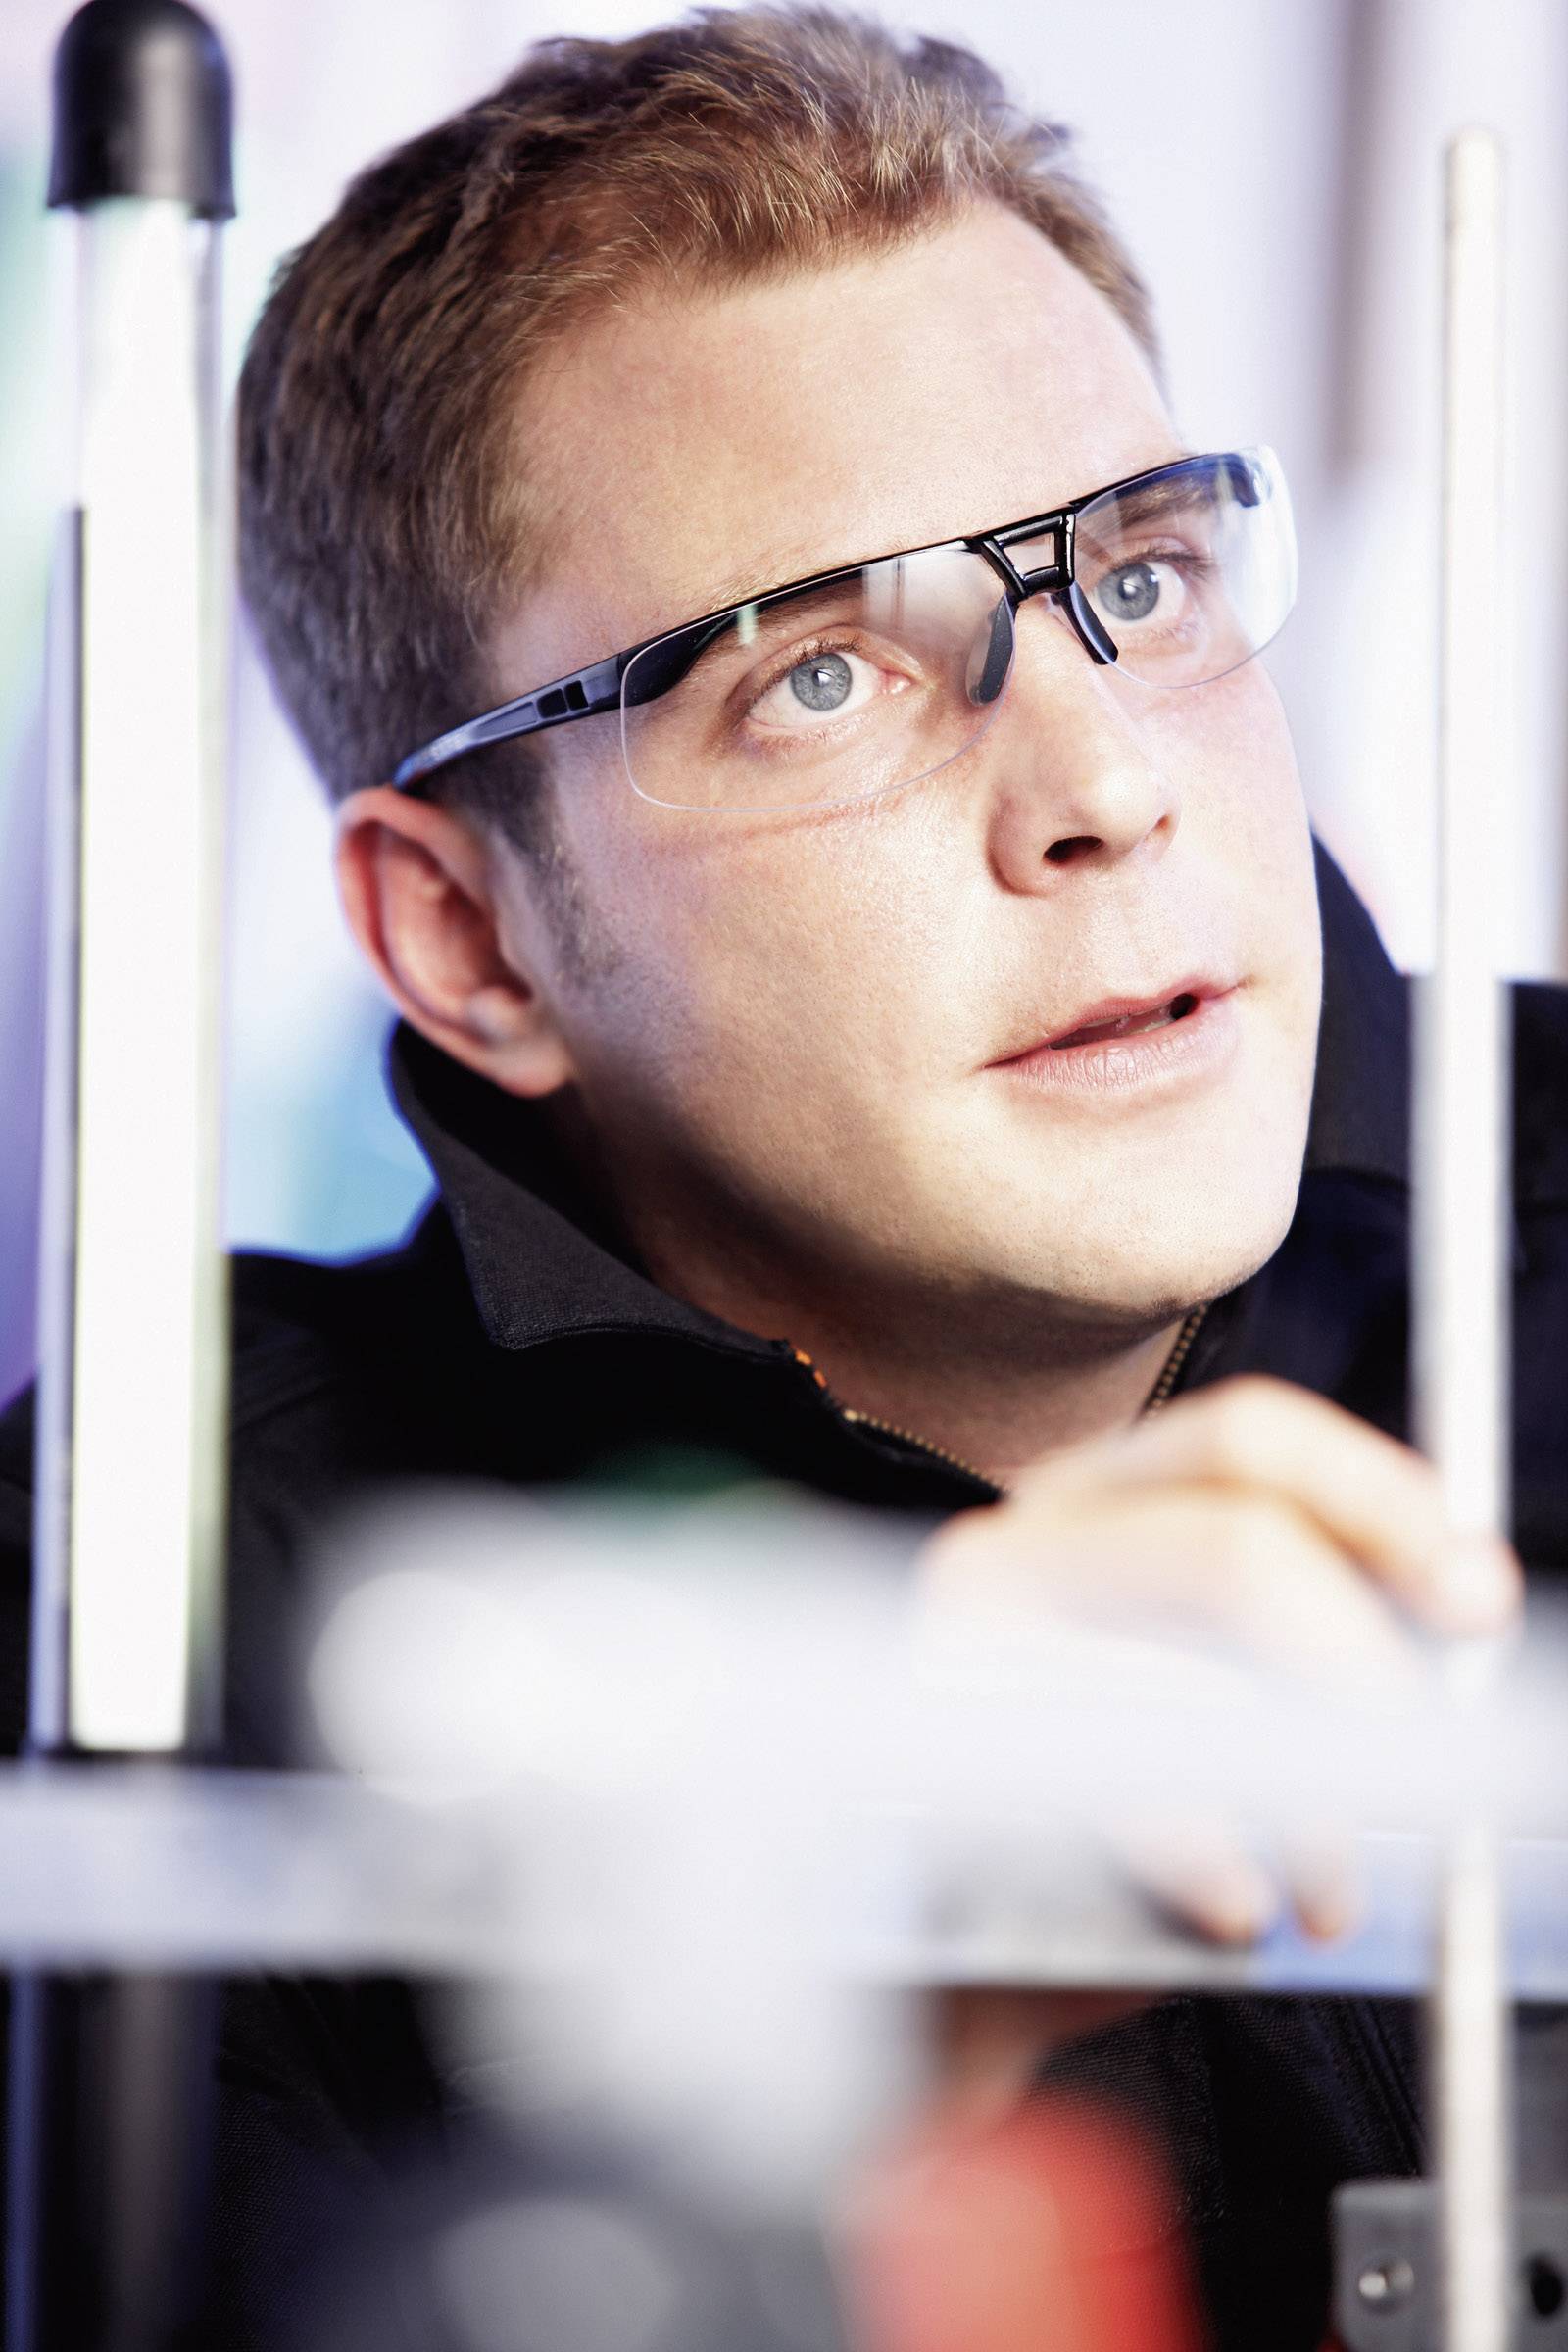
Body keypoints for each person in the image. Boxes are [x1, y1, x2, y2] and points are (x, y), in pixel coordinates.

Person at [2, 7, 1563, 2346]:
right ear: (466, 934)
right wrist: (804, 2030)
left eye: (1139, 578)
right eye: (818, 676)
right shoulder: (169, 1594)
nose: (1102, 789)